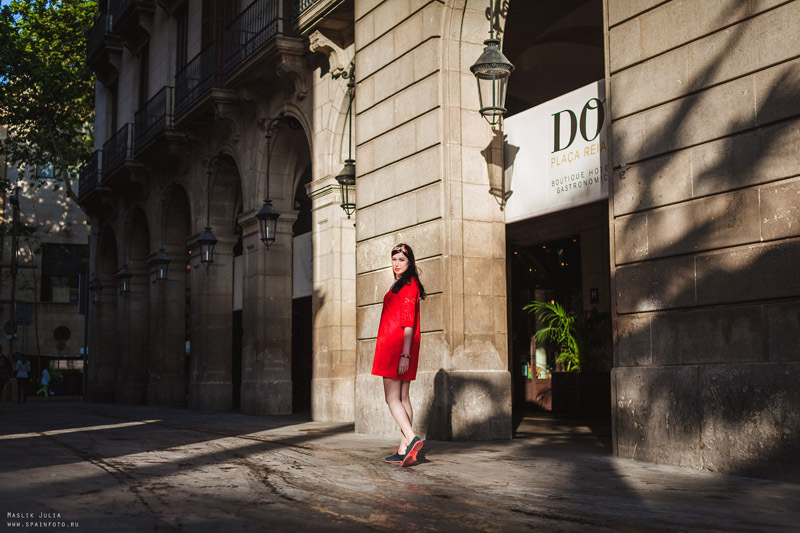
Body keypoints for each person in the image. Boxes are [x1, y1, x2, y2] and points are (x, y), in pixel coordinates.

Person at [371, 243, 426, 467]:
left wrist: (405, 354)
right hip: (400, 345)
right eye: (394, 259)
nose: (396, 263)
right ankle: (404, 449)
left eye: (401, 260)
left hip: (396, 346)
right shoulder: (403, 283)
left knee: (391, 398)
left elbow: (408, 321)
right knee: (403, 398)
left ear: (410, 262)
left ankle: (411, 438)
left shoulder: (409, 284)